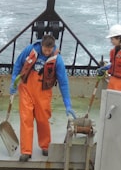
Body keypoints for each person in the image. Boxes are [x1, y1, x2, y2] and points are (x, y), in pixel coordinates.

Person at [10, 34, 76, 162]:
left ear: (53, 47)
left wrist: (67, 103)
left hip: (44, 93)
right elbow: (18, 64)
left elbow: (63, 82)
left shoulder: (58, 60)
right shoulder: (30, 50)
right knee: (26, 119)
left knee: (43, 120)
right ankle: (26, 151)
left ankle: (45, 146)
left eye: (49, 50)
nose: (47, 52)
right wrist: (14, 82)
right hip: (26, 89)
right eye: (45, 49)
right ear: (42, 45)